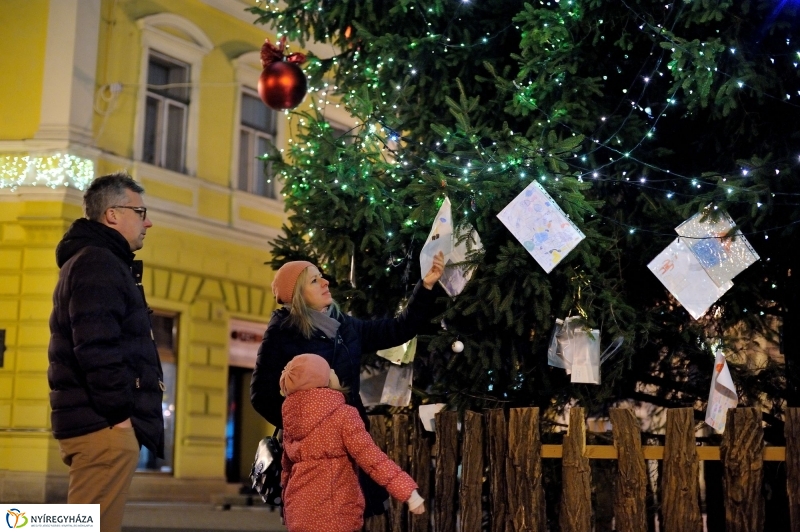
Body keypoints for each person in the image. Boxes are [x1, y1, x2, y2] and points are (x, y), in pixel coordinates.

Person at [250, 251, 445, 515]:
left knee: (349, 516)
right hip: (312, 459)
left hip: (350, 445)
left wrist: (427, 286)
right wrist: (304, 427)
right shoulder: (282, 332)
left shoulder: (344, 327)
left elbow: (398, 329)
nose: (325, 283)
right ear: (296, 293)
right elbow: (261, 395)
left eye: (322, 277)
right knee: (315, 518)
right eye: (314, 281)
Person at [47, 172, 164, 532]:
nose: (148, 222)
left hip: (96, 425)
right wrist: (120, 418)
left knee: (79, 524)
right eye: (140, 211)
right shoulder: (99, 263)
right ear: (112, 214)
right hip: (104, 429)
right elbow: (96, 347)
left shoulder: (90, 260)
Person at [279, 354, 425, 532]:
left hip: (299, 514)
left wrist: (286, 510)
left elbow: (287, 473)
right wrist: (408, 491)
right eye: (328, 370)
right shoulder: (342, 415)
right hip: (335, 515)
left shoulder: (290, 421)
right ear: (323, 380)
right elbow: (371, 458)